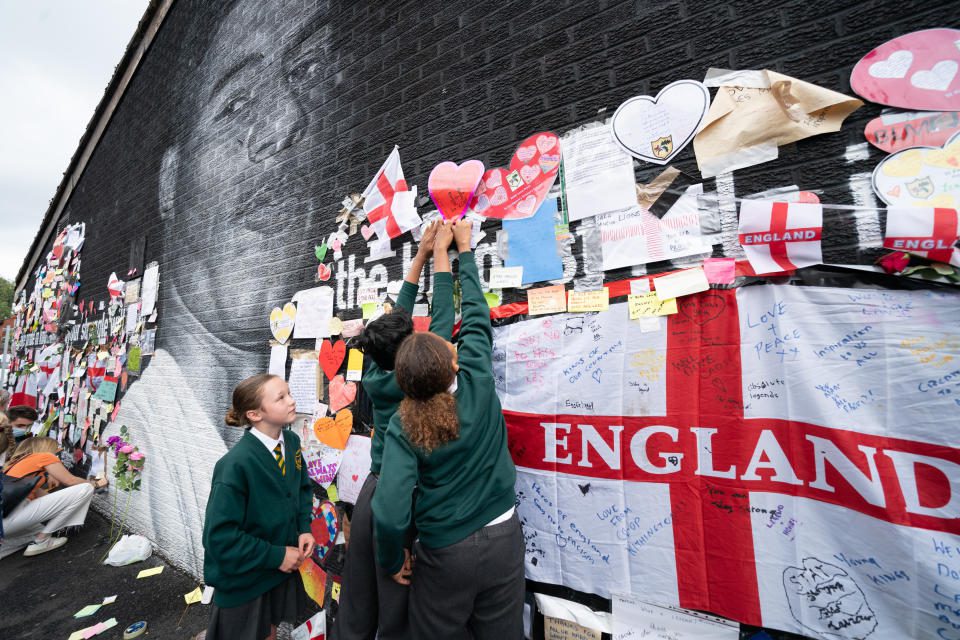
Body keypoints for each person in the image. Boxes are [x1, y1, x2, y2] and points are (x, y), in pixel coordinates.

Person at [373, 219, 523, 639]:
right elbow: (475, 314)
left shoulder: (405, 422)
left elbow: (389, 509)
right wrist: (464, 251)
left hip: (445, 553)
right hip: (504, 537)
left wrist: (391, 558)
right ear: (454, 362)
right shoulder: (477, 379)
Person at [336, 220, 454, 640]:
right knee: (397, 597)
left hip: (373, 490)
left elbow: (395, 318)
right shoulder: (418, 377)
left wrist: (419, 255)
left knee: (358, 598)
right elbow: (441, 318)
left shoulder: (373, 365)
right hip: (400, 498)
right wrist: (440, 256)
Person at [202, 374, 316, 640]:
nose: (292, 401)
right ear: (254, 414)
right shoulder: (235, 465)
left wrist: (304, 528)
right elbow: (219, 538)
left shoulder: (291, 444)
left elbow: (301, 489)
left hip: (276, 575)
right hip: (245, 581)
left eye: (289, 393)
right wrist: (276, 556)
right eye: (281, 397)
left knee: (270, 631)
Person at [0, 437, 106, 559]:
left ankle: (18, 542)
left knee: (37, 530)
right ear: (47, 448)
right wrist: (96, 484)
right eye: (56, 449)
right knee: (85, 488)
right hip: (10, 519)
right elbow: (70, 480)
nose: (59, 453)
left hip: (6, 521)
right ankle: (42, 541)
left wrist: (49, 475)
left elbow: (48, 501)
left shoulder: (13, 466)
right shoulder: (44, 456)